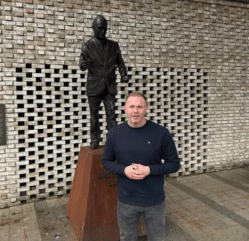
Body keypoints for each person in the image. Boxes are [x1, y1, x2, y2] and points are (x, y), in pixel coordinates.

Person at [102, 92, 180, 241]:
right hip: (126, 200)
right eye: (131, 106)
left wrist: (149, 170)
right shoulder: (114, 133)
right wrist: (123, 170)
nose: (135, 111)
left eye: (139, 107)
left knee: (158, 238)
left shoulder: (161, 133)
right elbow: (106, 161)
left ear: (146, 109)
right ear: (125, 108)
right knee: (127, 238)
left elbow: (174, 164)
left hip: (154, 200)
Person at [79, 15, 130, 149]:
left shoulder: (114, 46)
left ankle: (112, 141)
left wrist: (124, 74)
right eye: (100, 28)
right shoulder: (87, 46)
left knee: (111, 116)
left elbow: (120, 63)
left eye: (105, 29)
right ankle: (95, 139)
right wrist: (84, 65)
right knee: (94, 116)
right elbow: (82, 62)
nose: (103, 31)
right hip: (94, 86)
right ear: (94, 28)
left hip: (109, 86)